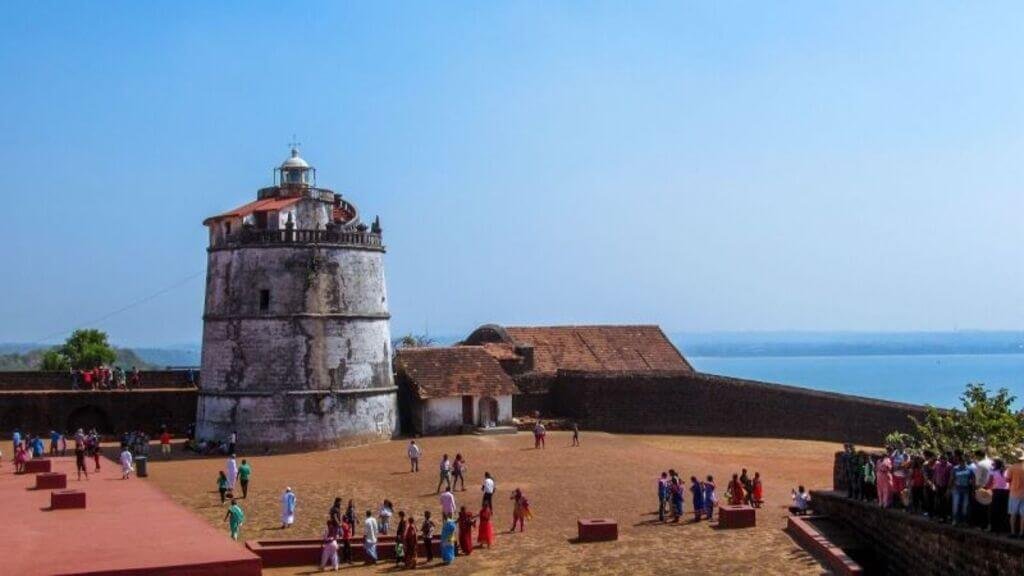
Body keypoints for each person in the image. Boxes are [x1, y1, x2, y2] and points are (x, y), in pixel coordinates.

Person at [986, 458, 1009, 533]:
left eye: (993, 463)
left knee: (994, 510)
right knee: (1003, 510)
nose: (992, 464)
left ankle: (993, 527)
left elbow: (989, 482)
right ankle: (1003, 528)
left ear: (996, 464)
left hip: (996, 492)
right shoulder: (1007, 471)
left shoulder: (993, 471)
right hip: (1006, 492)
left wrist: (985, 488)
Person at [951, 455, 974, 526]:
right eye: (961, 462)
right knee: (956, 505)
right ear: (959, 462)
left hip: (966, 489)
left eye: (964, 462)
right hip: (957, 489)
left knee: (965, 506)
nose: (963, 463)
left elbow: (973, 479)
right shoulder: (955, 469)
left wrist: (973, 489)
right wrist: (950, 488)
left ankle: (964, 521)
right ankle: (955, 520)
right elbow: (952, 478)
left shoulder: (969, 469)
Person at [1006, 452, 1024, 538]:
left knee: (1013, 514)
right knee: (1023, 515)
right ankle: (1021, 533)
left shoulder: (1012, 468)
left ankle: (1013, 532)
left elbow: (1008, 480)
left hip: (1014, 493)